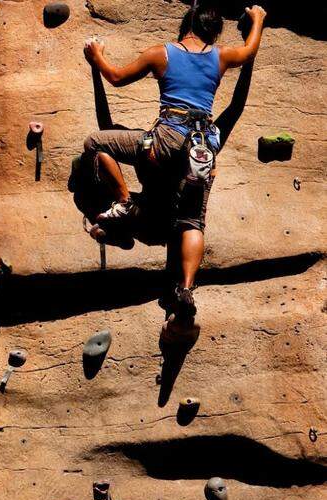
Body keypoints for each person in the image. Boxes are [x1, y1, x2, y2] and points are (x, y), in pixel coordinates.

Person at [80, 2, 266, 328]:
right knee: (192, 222)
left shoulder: (161, 54)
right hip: (202, 147)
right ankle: (186, 288)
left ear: (185, 26)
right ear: (213, 32)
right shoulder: (221, 56)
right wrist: (258, 19)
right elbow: (249, 52)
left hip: (165, 139)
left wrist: (97, 58)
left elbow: (116, 77)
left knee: (96, 143)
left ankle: (124, 201)